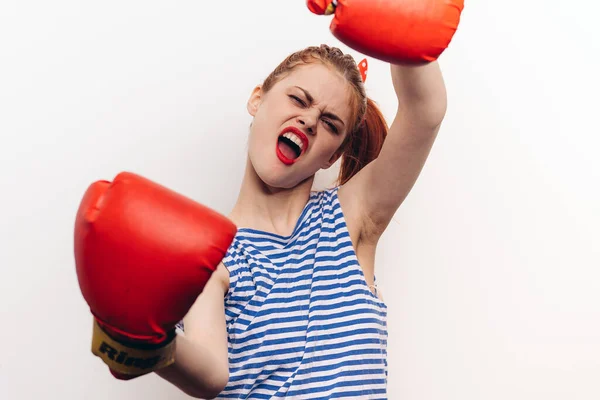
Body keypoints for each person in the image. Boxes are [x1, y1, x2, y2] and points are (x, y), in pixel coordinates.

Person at [74, 1, 462, 399]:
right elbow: (210, 375)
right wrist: (150, 347)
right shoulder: (211, 254)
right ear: (258, 99)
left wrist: (398, 18)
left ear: (332, 156)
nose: (310, 120)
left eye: (330, 123)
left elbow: (425, 112)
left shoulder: (350, 219)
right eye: (298, 100)